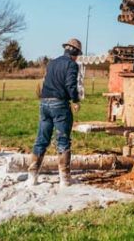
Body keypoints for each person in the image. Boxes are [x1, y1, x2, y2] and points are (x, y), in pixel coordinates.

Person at [28, 38, 82, 187]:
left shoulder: (52, 63)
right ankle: (65, 179)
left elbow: (45, 81)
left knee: (41, 139)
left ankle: (32, 177)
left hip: (44, 103)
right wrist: (75, 101)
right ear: (76, 53)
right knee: (63, 140)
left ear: (65, 49)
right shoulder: (72, 65)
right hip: (60, 104)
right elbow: (70, 85)